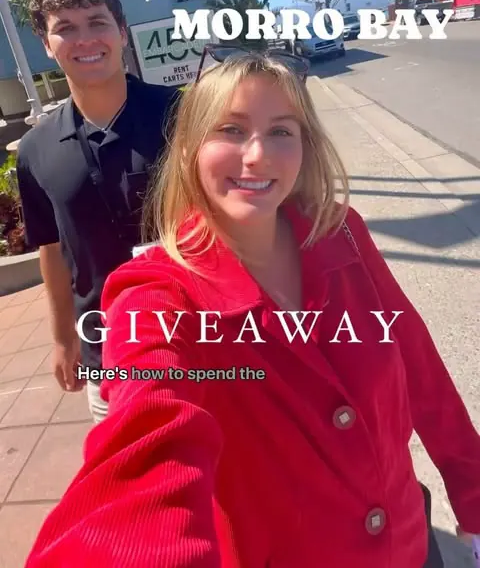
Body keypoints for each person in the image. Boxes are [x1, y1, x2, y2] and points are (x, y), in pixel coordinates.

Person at [25, 47, 480, 567]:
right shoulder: (155, 298)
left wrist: (472, 490)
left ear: (306, 146)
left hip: (411, 545)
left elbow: (418, 362)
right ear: (189, 148)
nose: (259, 154)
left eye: (282, 130)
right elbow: (147, 446)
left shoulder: (342, 232)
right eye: (232, 130)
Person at [15, 0, 178, 423]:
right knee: (127, 466)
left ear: (121, 32)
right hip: (105, 356)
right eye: (65, 28)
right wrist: (63, 339)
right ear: (47, 46)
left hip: (200, 337)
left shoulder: (182, 114)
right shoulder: (35, 149)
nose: (85, 39)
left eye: (97, 22)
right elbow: (51, 249)